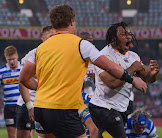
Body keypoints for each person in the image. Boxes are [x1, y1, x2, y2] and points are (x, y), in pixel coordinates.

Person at [19, 5, 147, 138]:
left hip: (41, 108)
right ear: (71, 22)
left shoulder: (41, 48)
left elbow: (23, 78)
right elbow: (111, 67)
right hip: (64, 108)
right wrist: (132, 79)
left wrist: (42, 88)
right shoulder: (81, 44)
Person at [89, 22, 159, 138]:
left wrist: (153, 74)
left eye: (129, 34)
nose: (128, 37)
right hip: (103, 108)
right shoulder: (104, 56)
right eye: (123, 34)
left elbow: (148, 78)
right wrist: (133, 69)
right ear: (113, 38)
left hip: (120, 109)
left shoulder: (133, 56)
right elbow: (111, 83)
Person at [16, 25, 56, 138]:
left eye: (55, 36)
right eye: (51, 36)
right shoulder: (32, 55)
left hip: (48, 103)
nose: (53, 39)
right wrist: (30, 106)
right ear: (42, 38)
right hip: (28, 103)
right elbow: (22, 82)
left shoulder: (60, 55)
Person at [0, 46, 21, 138]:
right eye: (9, 60)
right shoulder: (2, 72)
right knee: (12, 136)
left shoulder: (24, 68)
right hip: (9, 107)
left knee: (26, 135)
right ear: (5, 58)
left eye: (13, 59)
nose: (12, 62)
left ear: (17, 56)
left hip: (23, 107)